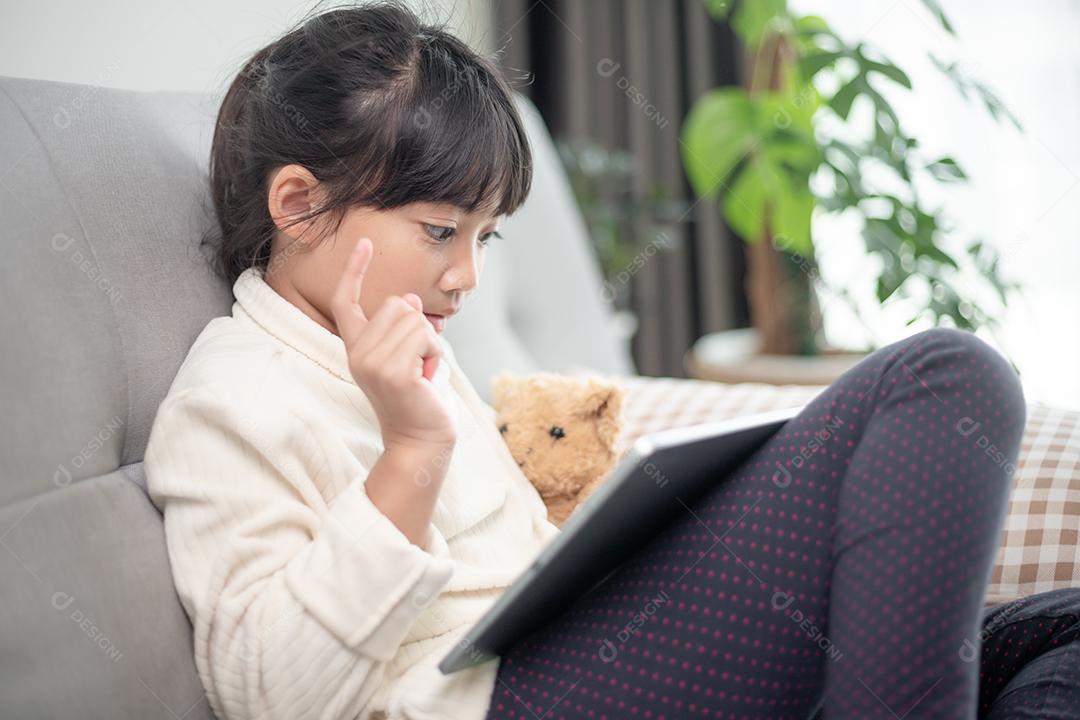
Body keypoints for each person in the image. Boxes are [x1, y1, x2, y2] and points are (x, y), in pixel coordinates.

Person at [144, 2, 1075, 719]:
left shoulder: (400, 343)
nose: (465, 277)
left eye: (484, 239)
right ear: (299, 205)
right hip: (494, 701)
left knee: (1061, 634)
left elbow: (512, 567)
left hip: (578, 648)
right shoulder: (232, 399)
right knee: (947, 380)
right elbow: (266, 692)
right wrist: (410, 460)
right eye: (439, 231)